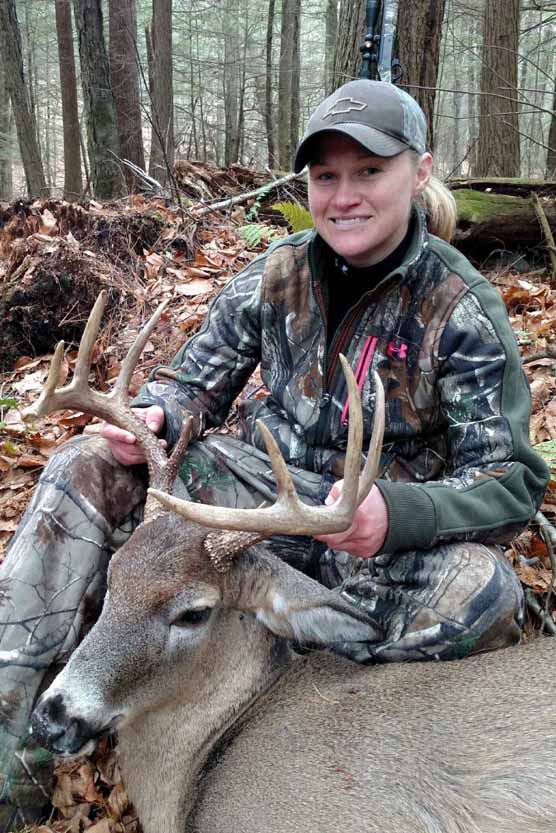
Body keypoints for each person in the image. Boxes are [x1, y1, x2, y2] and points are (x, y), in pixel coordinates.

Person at [0, 79, 548, 830]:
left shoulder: (460, 308)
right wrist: (160, 412)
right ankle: (15, 755)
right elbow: (191, 384)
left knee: (482, 592)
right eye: (326, 176)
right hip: (253, 514)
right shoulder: (274, 275)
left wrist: (399, 513)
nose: (344, 197)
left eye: (369, 172)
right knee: (84, 467)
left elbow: (510, 481)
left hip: (370, 537)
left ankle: (339, 771)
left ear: (419, 172)